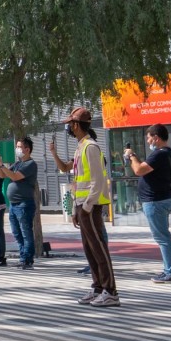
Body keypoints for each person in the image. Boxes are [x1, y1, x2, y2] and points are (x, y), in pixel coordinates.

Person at [55, 107, 116, 307]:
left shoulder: (90, 147)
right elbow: (77, 181)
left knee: (98, 248)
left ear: (76, 125)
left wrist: (87, 206)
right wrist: (75, 209)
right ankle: (98, 287)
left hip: (91, 206)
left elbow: (98, 180)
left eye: (70, 124)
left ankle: (110, 291)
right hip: (82, 206)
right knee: (89, 249)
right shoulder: (80, 147)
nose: (69, 128)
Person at [127, 124, 171, 285]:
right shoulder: (166, 153)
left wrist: (132, 156)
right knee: (163, 236)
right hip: (159, 199)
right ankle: (169, 270)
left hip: (155, 201)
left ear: (156, 138)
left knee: (162, 237)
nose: (148, 140)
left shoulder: (160, 154)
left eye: (149, 137)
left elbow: (139, 170)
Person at [0, 138, 38, 270]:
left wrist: (2, 165)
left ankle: (28, 259)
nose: (17, 149)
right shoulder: (18, 163)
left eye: (19, 146)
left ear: (27, 149)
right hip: (14, 205)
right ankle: (22, 257)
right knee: (17, 233)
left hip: (24, 204)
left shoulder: (30, 164)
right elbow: (2, 175)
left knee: (26, 233)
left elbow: (14, 176)